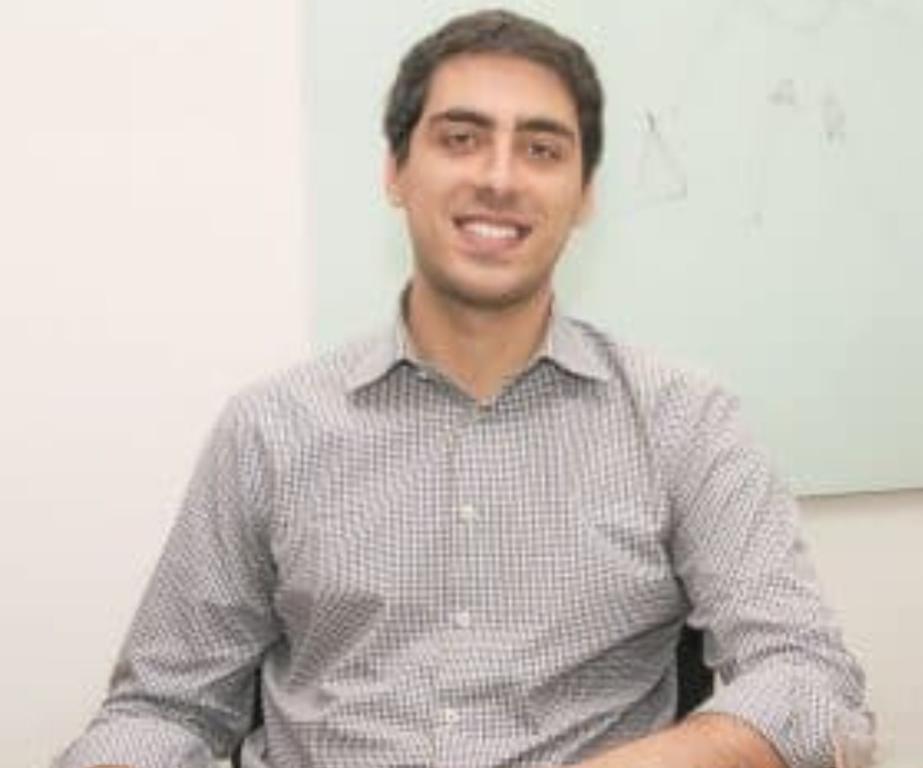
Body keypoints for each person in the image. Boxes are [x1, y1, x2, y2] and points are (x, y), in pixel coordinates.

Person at [57, 9, 867, 768]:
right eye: (461, 138)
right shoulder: (270, 428)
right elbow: (166, 708)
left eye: (542, 149)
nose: (500, 178)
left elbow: (809, 680)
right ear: (396, 171)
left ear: (585, 194)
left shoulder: (683, 421)